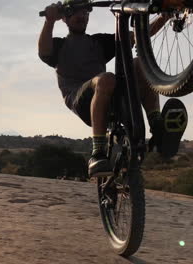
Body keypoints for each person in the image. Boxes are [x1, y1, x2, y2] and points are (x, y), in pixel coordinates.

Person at [38, 0, 172, 177]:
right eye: (75, 13)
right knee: (106, 78)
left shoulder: (99, 42)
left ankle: (157, 127)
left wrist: (165, 16)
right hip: (81, 102)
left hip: (107, 93)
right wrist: (49, 20)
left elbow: (138, 36)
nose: (82, 16)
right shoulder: (59, 46)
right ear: (65, 18)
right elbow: (44, 51)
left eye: (85, 12)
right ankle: (97, 153)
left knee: (140, 63)